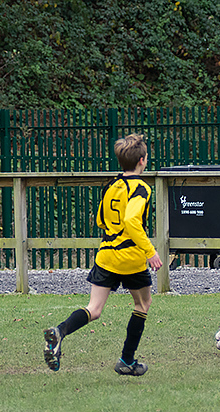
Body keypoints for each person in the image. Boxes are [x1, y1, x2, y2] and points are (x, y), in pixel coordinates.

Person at [43, 133, 163, 376]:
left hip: (106, 255)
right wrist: (150, 251)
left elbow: (100, 219)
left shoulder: (112, 185)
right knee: (143, 303)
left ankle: (60, 331)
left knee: (94, 309)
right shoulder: (140, 188)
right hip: (130, 257)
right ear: (141, 160)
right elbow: (131, 220)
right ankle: (127, 361)